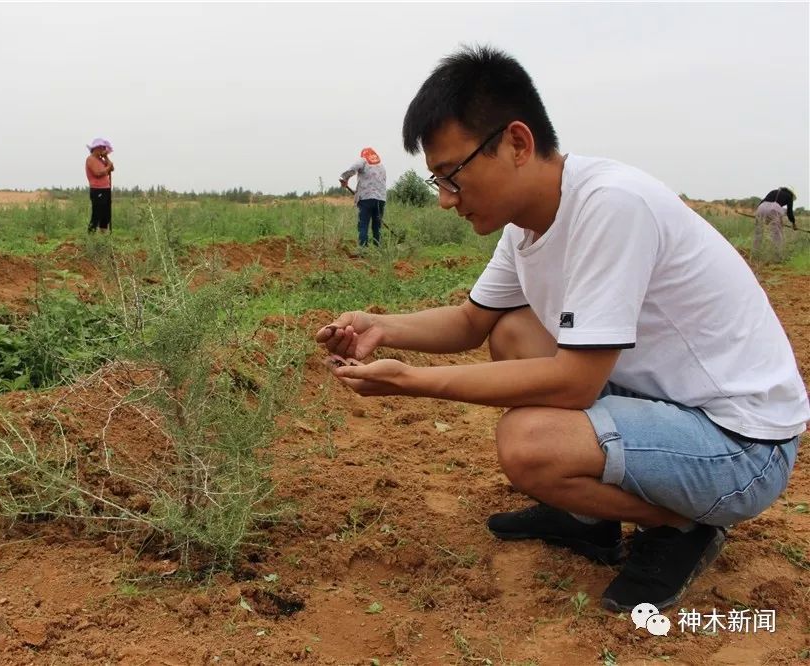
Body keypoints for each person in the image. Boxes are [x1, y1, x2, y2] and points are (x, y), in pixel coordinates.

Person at [316, 46, 807, 612]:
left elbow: (573, 384)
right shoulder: (525, 226)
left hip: (741, 444)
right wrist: (381, 325)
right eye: (437, 181)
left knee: (528, 444)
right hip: (671, 407)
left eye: (452, 175)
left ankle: (684, 526)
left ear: (518, 143)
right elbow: (473, 323)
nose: (447, 198)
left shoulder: (610, 205)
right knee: (512, 331)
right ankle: (590, 518)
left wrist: (412, 382)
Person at [340, 147, 387, 248]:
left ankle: (363, 249)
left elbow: (353, 168)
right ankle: (377, 248)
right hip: (381, 200)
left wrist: (344, 178)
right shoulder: (381, 166)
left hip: (366, 198)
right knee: (377, 226)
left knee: (363, 225)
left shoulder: (364, 161)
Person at [752, 186, 798, 263]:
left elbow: (762, 202)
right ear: (791, 193)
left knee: (758, 232)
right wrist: (793, 223)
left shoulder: (773, 191)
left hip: (761, 208)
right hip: (774, 209)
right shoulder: (789, 196)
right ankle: (777, 257)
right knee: (777, 235)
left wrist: (760, 215)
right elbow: (789, 212)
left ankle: (755, 254)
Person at [85, 137, 114, 233]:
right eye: (102, 148)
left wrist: (106, 157)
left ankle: (103, 238)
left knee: (105, 215)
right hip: (97, 190)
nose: (103, 150)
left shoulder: (102, 160)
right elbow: (98, 173)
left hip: (106, 189)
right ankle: (91, 237)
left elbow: (112, 168)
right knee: (97, 214)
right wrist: (108, 167)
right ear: (96, 149)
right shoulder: (90, 159)